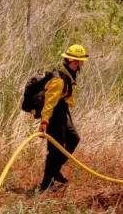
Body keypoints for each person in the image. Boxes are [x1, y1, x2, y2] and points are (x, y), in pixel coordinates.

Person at [38, 43, 88, 191]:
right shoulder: (59, 79)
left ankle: (55, 171)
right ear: (74, 62)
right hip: (54, 115)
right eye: (81, 62)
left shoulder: (69, 76)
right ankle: (46, 184)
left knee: (74, 139)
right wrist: (45, 121)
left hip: (62, 112)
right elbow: (49, 102)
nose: (82, 65)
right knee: (55, 150)